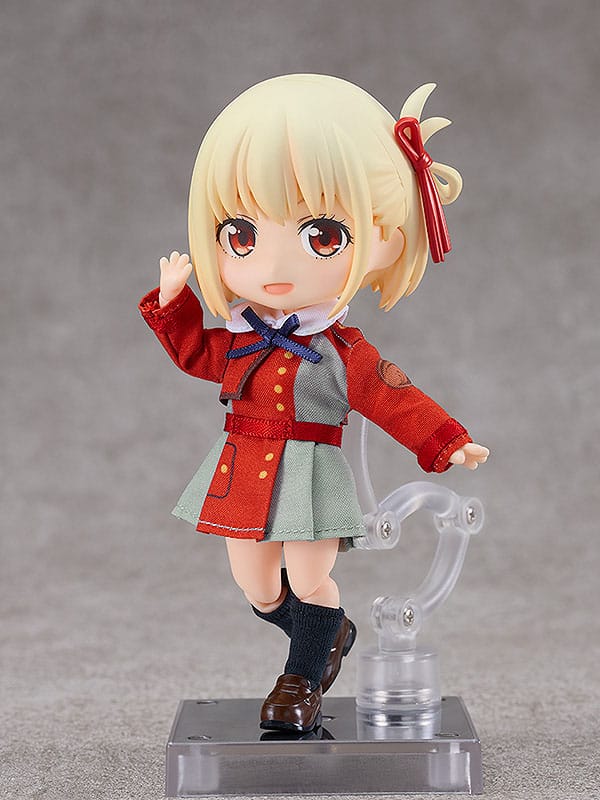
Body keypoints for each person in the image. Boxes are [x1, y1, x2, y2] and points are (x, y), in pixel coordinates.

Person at [139, 74, 488, 733]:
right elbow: (194, 353)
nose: (273, 265)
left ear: (383, 238)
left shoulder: (341, 351)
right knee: (257, 585)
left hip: (311, 473)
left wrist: (444, 438)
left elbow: (391, 394)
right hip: (243, 468)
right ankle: (329, 633)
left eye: (321, 235)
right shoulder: (242, 338)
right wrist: (174, 300)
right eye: (241, 235)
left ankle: (299, 681)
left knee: (308, 575)